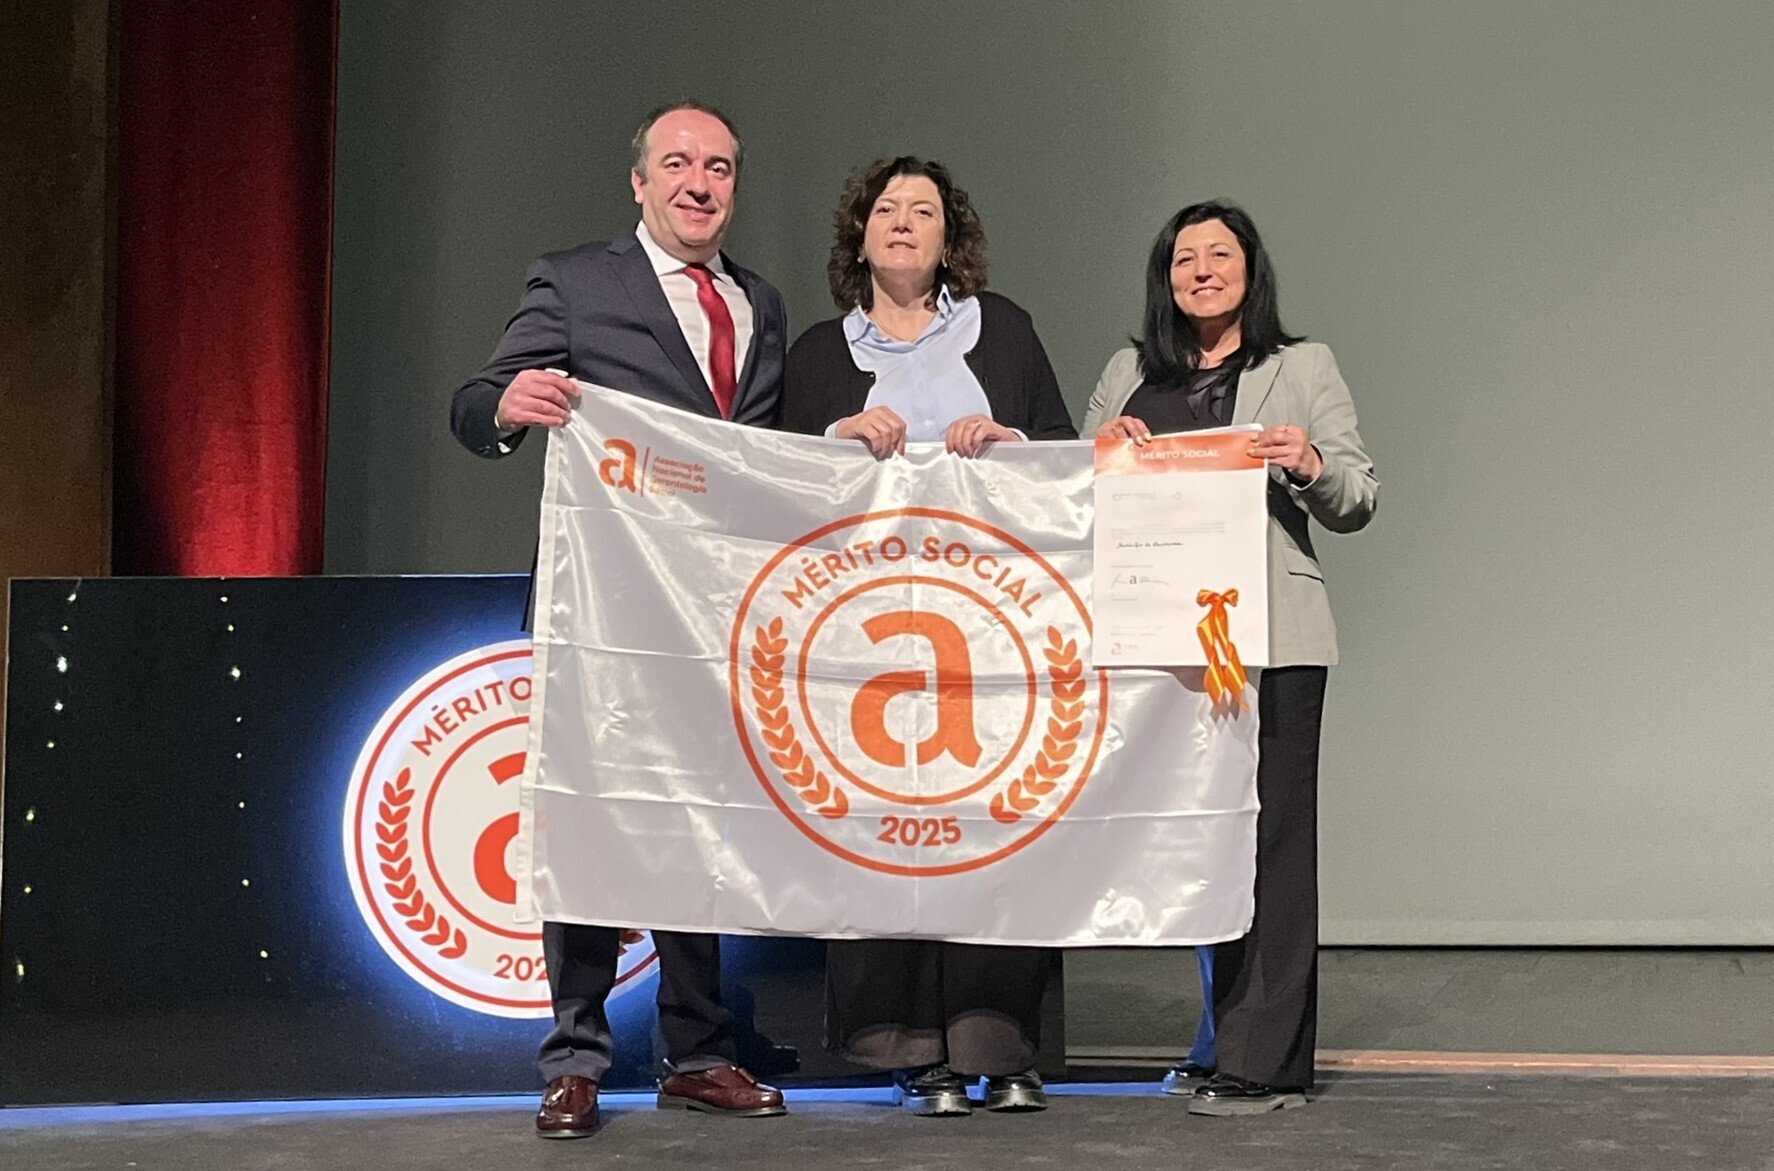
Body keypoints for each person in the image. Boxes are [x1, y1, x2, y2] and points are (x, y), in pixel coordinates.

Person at [450, 101, 790, 1139]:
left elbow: (767, 458)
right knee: (592, 822)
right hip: (602, 608)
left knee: (700, 831)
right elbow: (477, 399)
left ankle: (697, 1050)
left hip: (713, 618)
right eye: (678, 163)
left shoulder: (760, 304)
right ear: (638, 183)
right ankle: (575, 1058)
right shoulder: (577, 279)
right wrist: (508, 409)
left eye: (720, 166)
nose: (700, 181)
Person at [780, 156, 1076, 1117]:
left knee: (997, 829)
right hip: (864, 639)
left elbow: (1066, 461)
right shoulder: (822, 352)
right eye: (886, 209)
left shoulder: (1010, 331)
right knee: (886, 829)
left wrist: (1011, 448)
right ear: (858, 232)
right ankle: (910, 1049)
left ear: (953, 237)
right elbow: (778, 482)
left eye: (926, 211)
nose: (904, 222)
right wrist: (834, 443)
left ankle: (1004, 1041)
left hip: (994, 632)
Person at [1083, 200, 1377, 1116]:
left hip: (1274, 641)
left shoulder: (1302, 365)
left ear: (1252, 268)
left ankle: (1268, 1058)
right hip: (1163, 646)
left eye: (1220, 254)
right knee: (1205, 842)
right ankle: (1222, 1036)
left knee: (1276, 843)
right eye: (1184, 258)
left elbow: (1359, 495)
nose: (1202, 269)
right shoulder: (1129, 371)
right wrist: (1102, 448)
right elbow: (1067, 482)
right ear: (1164, 276)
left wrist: (1309, 459)